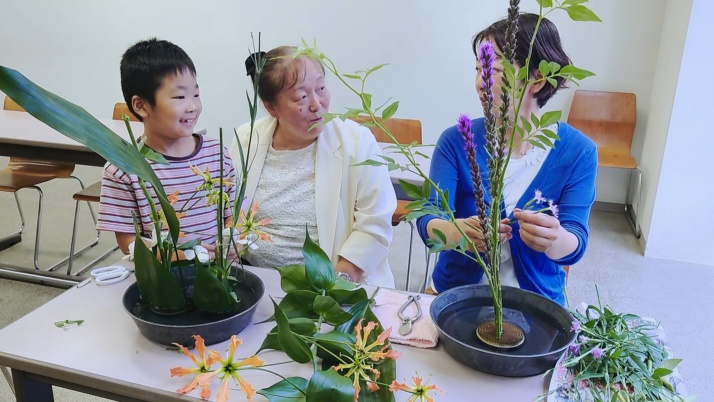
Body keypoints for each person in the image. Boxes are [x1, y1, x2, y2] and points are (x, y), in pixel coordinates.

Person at [416, 13, 597, 305]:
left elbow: (576, 242)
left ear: (537, 78)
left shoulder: (578, 152)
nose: (480, 82)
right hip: (455, 298)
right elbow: (427, 219)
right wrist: (455, 232)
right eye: (478, 69)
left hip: (534, 303)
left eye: (494, 70)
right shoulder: (455, 140)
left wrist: (555, 239)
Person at [229, 46, 397, 288]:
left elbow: (375, 225)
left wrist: (335, 286)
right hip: (257, 283)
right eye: (301, 97)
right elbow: (230, 213)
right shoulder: (246, 139)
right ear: (271, 107)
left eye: (321, 88)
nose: (317, 104)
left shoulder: (357, 142)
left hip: (336, 286)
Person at [97, 38, 236, 255]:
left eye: (196, 95)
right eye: (180, 96)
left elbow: (234, 214)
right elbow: (128, 241)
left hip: (220, 275)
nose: (193, 106)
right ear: (141, 105)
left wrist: (232, 242)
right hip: (164, 280)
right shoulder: (123, 169)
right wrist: (178, 256)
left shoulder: (217, 154)